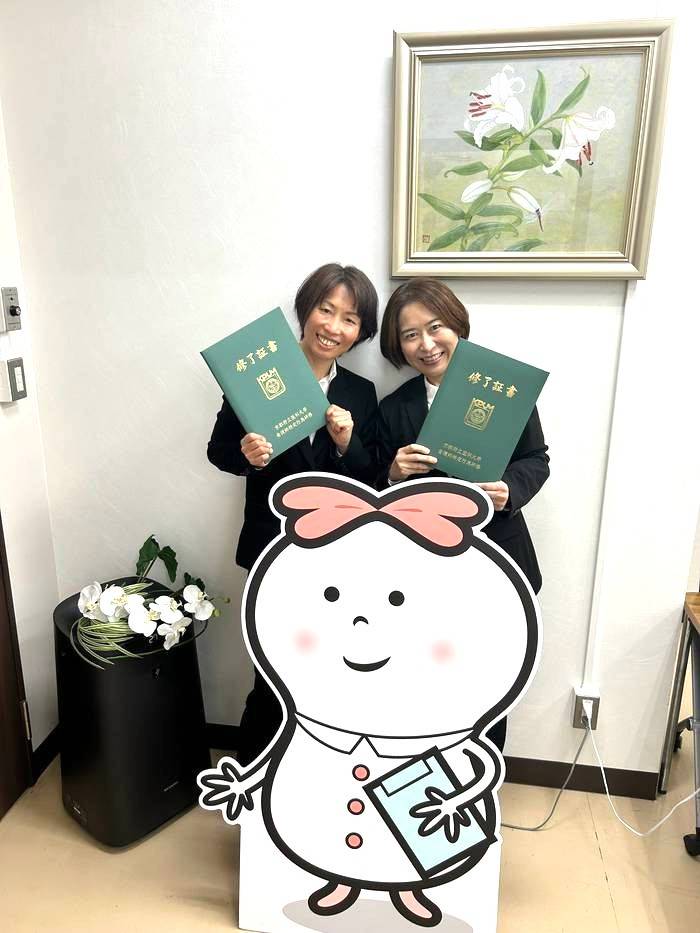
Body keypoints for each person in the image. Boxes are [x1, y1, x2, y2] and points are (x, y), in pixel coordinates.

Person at [207, 263, 378, 765]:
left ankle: (313, 771)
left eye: (349, 319)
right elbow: (218, 452)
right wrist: (248, 455)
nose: (334, 326)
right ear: (305, 312)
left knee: (325, 669)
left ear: (360, 332)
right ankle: (252, 779)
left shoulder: (360, 393)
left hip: (335, 556)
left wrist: (345, 443)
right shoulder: (257, 376)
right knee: (271, 671)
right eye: (326, 310)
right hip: (270, 547)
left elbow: (370, 479)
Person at [377, 279, 549, 751]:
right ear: (398, 345)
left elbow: (536, 459)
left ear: (457, 327)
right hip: (422, 568)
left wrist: (510, 490)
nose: (426, 344)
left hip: (498, 554)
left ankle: (482, 781)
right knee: (425, 680)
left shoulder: (505, 392)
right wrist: (393, 472)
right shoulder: (393, 408)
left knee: (491, 681)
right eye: (410, 335)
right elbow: (371, 485)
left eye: (436, 327)